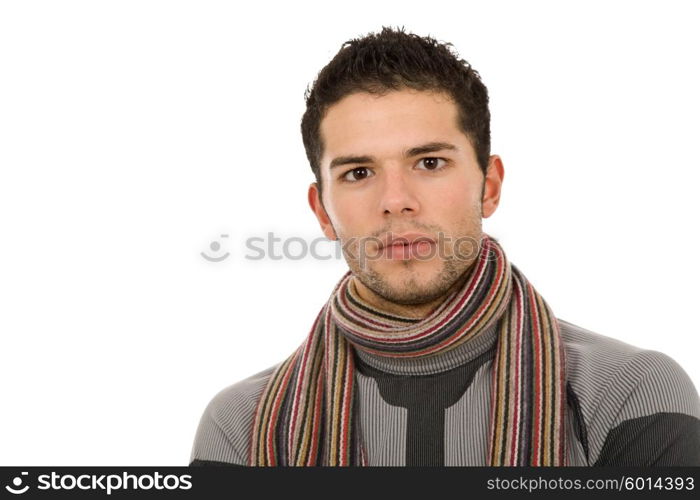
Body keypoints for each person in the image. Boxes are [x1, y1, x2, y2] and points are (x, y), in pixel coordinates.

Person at [189, 27, 700, 466]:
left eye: (429, 162)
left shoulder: (628, 393)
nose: (396, 201)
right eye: (359, 172)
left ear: (490, 186)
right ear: (322, 211)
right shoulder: (241, 426)